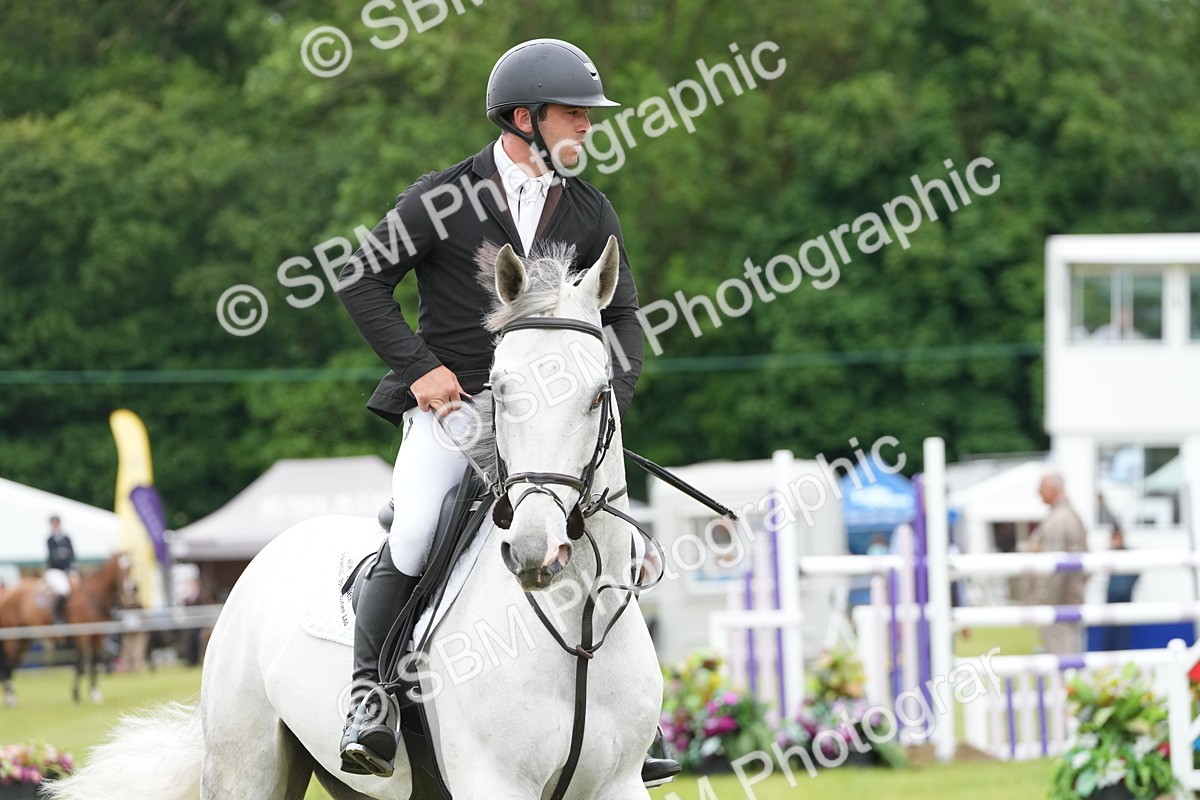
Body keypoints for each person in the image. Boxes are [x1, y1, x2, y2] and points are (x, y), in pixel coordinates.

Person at [334, 39, 674, 784]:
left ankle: (628, 727)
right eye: (573, 114)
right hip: (455, 410)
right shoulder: (441, 199)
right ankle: (371, 697)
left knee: (617, 537)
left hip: (553, 419)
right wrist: (421, 371)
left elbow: (624, 317)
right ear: (525, 118)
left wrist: (605, 404)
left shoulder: (591, 209)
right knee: (416, 530)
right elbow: (360, 281)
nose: (587, 126)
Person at [1026, 471, 1089, 654]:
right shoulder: (1070, 515)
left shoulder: (1058, 520)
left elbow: (1054, 566)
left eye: (1041, 488)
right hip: (1069, 598)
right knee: (1070, 650)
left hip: (1058, 602)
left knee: (1062, 654)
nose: (1038, 493)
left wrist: (1042, 600)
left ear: (1053, 489)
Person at [1102, 527, 1139, 651]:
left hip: (1125, 596)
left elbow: (1136, 573)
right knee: (1110, 628)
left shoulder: (1128, 555)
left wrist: (1127, 586)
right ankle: (1109, 652)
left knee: (1124, 628)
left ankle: (1123, 651)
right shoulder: (1109, 555)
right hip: (1111, 595)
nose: (1116, 541)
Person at [45, 515, 76, 624]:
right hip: (56, 571)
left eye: (56, 523)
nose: (55, 525)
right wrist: (62, 555)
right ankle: (58, 615)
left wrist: (69, 566)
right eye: (53, 523)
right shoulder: (50, 540)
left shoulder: (66, 538)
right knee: (63, 589)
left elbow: (71, 554)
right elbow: (54, 557)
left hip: (68, 569)